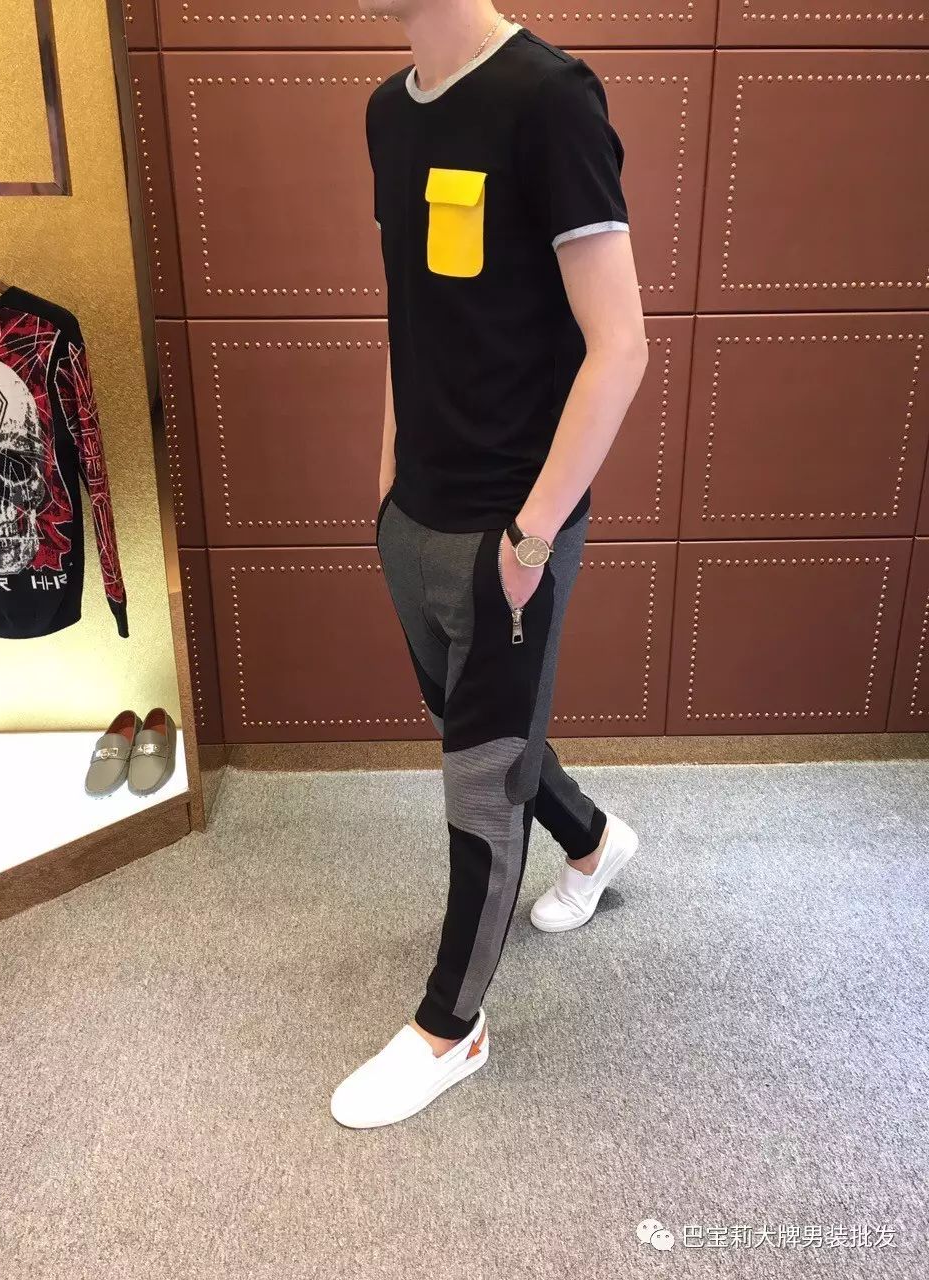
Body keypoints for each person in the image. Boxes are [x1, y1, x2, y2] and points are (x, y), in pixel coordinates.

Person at [331, 0, 648, 1128]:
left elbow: (621, 344)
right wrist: (388, 473)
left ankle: (449, 1027)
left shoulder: (552, 100)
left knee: (477, 779)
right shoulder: (388, 113)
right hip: (413, 513)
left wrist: (531, 537)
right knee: (478, 727)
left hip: (510, 529)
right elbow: (410, 309)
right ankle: (596, 841)